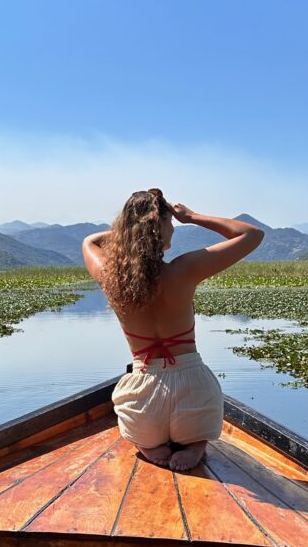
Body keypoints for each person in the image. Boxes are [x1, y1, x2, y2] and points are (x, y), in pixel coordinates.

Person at [81, 190, 264, 471]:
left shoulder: (110, 276)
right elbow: (252, 235)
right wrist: (192, 217)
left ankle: (149, 444)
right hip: (194, 399)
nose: (173, 229)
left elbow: (89, 241)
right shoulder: (185, 269)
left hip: (142, 406)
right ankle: (195, 444)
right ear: (160, 228)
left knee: (139, 426)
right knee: (197, 422)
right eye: (171, 224)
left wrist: (131, 230)